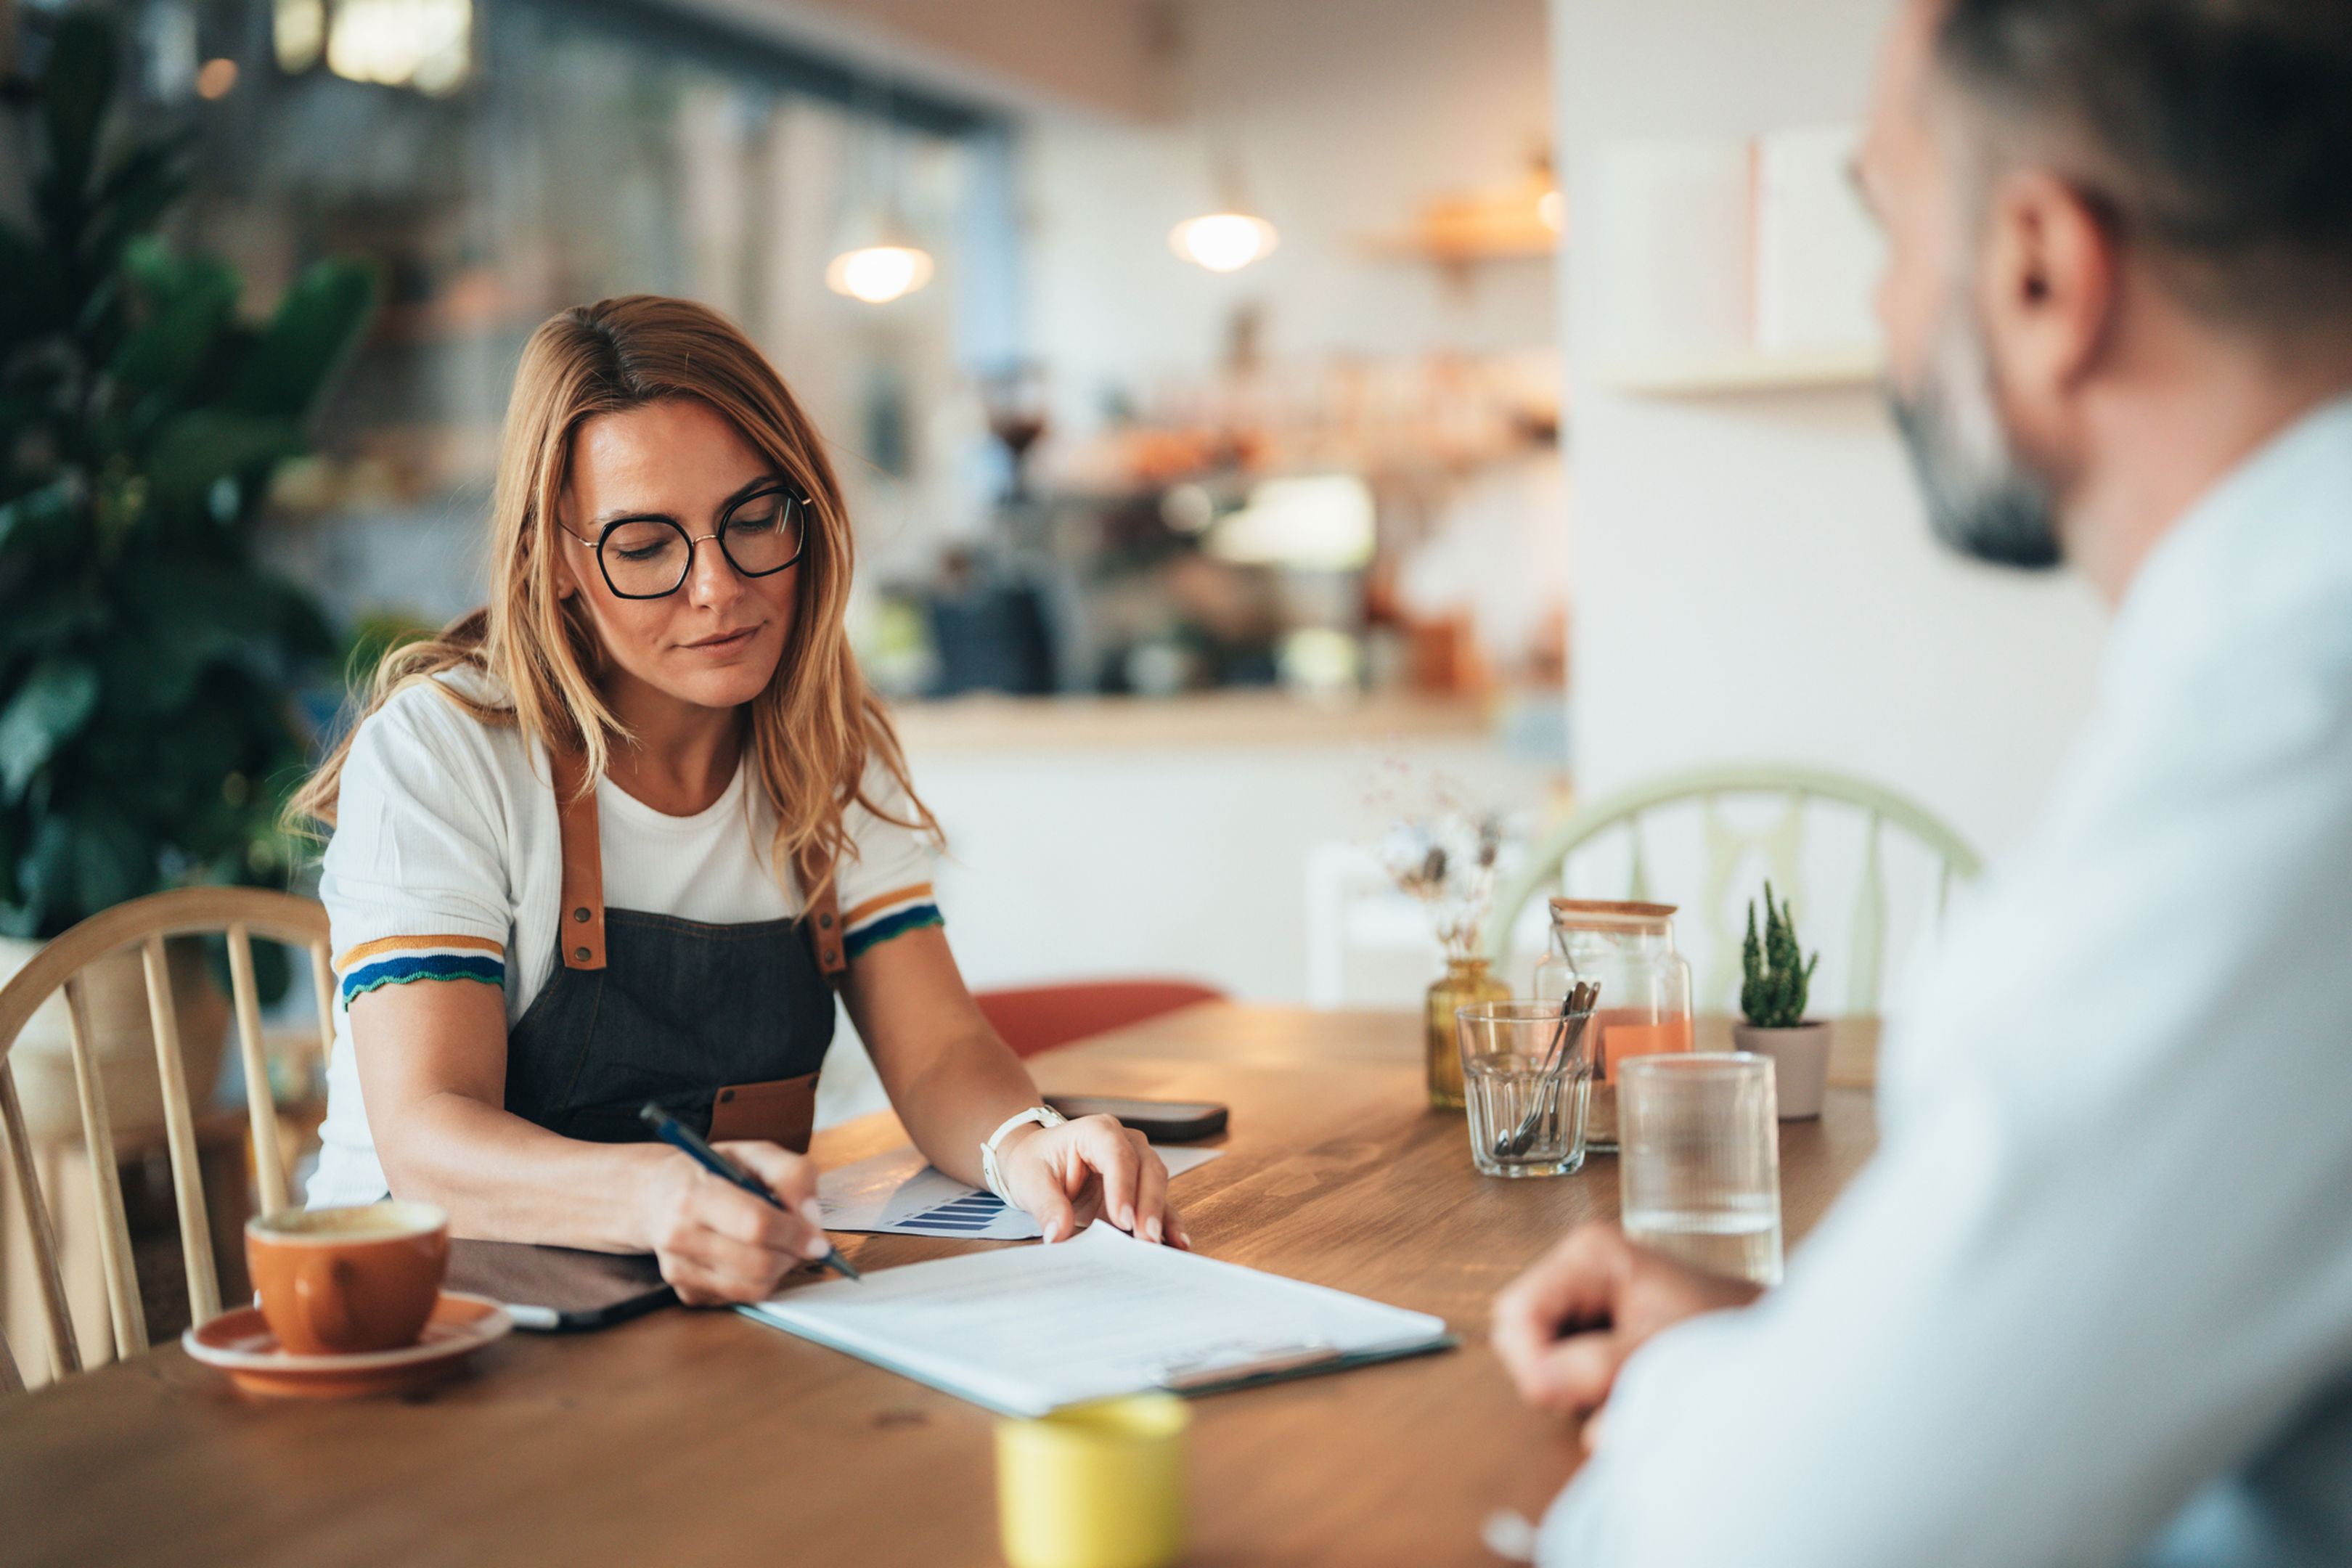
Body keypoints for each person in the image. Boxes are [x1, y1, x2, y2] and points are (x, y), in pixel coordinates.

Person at [1492, 0, 2352, 1562]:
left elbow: (1793, 1536)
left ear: (2040, 269)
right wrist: (1794, 1356)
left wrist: (1718, 1404)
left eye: (1889, 230)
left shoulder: (2295, 738)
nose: (1888, 311)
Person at [296, 296, 1185, 1304]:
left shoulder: (824, 748)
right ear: (558, 565)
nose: (718, 587)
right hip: (415, 1322)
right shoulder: (445, 751)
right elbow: (429, 1139)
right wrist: (659, 1199)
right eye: (644, 546)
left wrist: (1028, 1145)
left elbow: (939, 1050)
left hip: (681, 1319)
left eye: (753, 519)